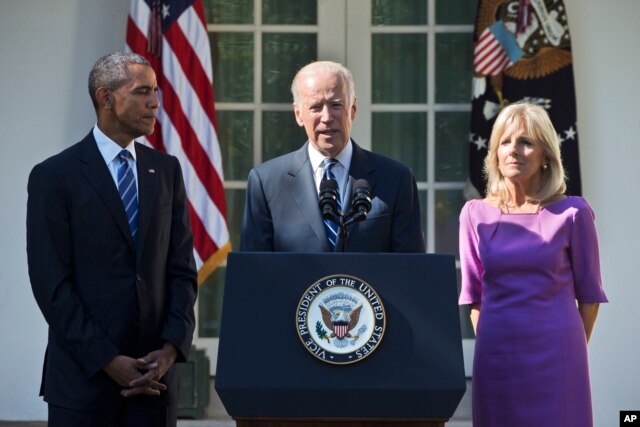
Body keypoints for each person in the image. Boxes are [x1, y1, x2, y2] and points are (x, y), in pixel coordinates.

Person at [26, 52, 198, 427]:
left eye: (156, 91)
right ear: (105, 98)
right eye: (142, 92)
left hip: (156, 385)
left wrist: (170, 350)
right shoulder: (55, 177)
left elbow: (183, 270)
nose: (154, 102)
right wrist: (107, 359)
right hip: (84, 385)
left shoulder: (166, 170)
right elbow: (51, 284)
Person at [458, 102, 608, 426]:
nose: (515, 150)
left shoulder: (574, 213)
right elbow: (474, 298)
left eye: (526, 142)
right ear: (495, 152)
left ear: (545, 156)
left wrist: (570, 351)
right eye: (506, 141)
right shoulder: (474, 214)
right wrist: (494, 345)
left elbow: (591, 298)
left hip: (559, 358)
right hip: (496, 359)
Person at [240, 60, 425, 252]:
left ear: (353, 109)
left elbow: (411, 269)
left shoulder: (396, 179)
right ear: (298, 114)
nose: (327, 117)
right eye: (316, 107)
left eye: (336, 105)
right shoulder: (266, 181)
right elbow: (254, 271)